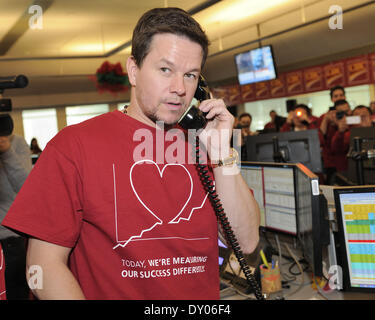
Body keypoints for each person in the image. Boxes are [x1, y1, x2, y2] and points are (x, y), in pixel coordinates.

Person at [2, 7, 260, 300]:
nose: (179, 88)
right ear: (134, 70)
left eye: (190, 75)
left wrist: (222, 151)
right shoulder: (72, 146)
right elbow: (42, 266)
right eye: (166, 70)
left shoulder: (207, 146)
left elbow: (246, 242)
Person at [0, 114, 32, 300]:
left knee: (16, 292)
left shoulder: (16, 143)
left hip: (10, 237)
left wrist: (7, 151)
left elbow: (26, 187)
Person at [331, 105, 372, 174]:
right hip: (355, 173)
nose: (361, 117)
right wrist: (340, 132)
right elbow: (336, 149)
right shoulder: (348, 134)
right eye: (357, 115)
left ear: (371, 117)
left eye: (364, 115)